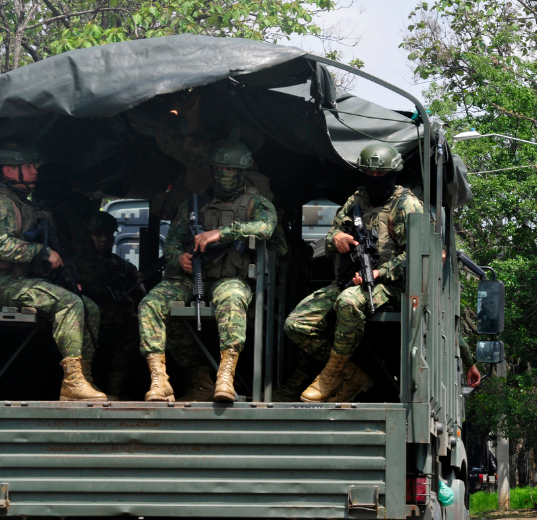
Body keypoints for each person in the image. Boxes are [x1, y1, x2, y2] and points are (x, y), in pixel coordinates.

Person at [137, 139, 278, 402]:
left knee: (233, 300)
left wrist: (221, 233)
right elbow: (172, 243)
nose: (223, 175)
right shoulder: (195, 204)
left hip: (229, 279)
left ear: (241, 172)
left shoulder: (255, 202)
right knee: (149, 304)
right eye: (218, 170)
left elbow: (265, 227)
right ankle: (159, 379)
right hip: (191, 277)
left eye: (229, 170)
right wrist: (180, 258)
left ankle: (225, 376)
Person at [283, 143, 423, 402]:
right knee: (296, 323)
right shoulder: (355, 200)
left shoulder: (406, 205)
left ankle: (331, 374)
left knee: (348, 302)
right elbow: (330, 235)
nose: (374, 179)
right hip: (349, 279)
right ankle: (350, 374)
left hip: (391, 285)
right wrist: (336, 238)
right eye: (369, 174)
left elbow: (417, 255)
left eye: (381, 175)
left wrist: (380, 273)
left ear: (393, 174)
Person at [0, 142, 105, 401]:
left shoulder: (22, 202)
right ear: (9, 170)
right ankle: (72, 382)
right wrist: (42, 253)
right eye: (29, 167)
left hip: (20, 281)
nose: (35, 171)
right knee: (68, 304)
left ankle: (84, 378)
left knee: (89, 307)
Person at [87, 211, 148, 398]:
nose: (105, 239)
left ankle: (117, 389)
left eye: (109, 234)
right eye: (98, 234)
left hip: (115, 319)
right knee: (130, 327)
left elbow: (137, 280)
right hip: (93, 317)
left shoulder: (117, 262)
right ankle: (114, 389)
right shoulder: (84, 262)